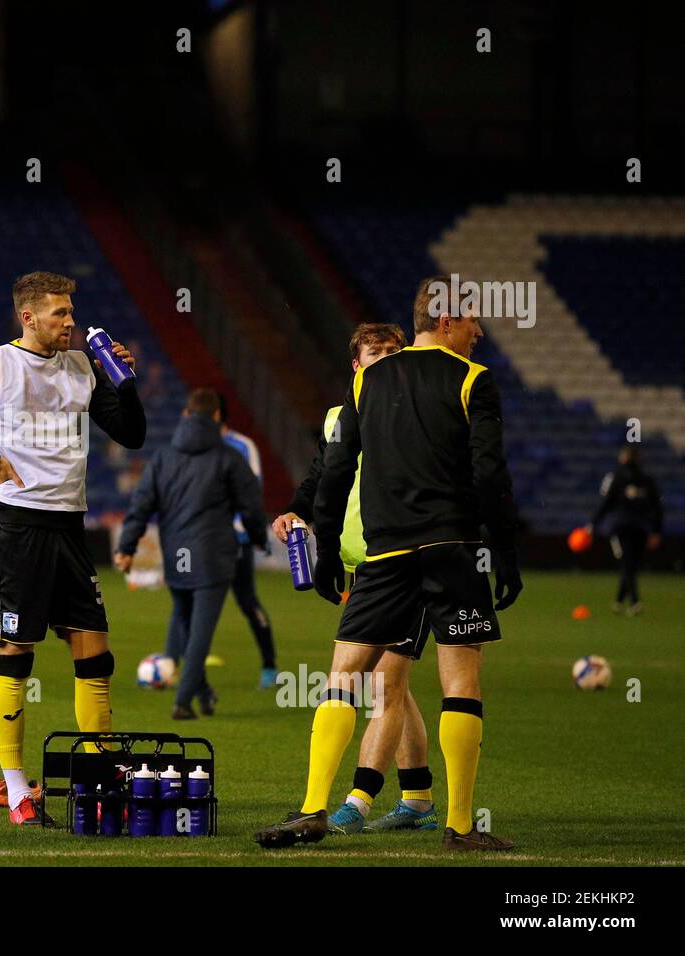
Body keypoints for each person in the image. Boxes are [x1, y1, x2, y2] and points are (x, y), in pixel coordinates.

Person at [255, 275, 522, 852]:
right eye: (474, 320)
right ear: (447, 320)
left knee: (343, 680)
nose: (479, 332)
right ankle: (458, 825)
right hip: (451, 550)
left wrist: (326, 546)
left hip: (384, 554)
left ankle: (311, 811)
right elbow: (489, 473)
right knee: (460, 688)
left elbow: (336, 470)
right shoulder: (473, 380)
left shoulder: (367, 381)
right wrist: (504, 548)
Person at [0, 271, 146, 826]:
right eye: (60, 313)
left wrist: (124, 381)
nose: (71, 322)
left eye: (71, 311)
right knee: (16, 652)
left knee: (96, 653)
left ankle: (99, 773)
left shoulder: (84, 367)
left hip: (71, 526)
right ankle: (16, 791)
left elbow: (132, 435)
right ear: (29, 317)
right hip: (18, 527)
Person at [271, 323, 441, 835]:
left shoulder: (418, 414)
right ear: (356, 363)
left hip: (408, 560)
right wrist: (295, 511)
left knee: (383, 681)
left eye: (394, 351)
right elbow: (325, 472)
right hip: (359, 567)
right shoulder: (341, 417)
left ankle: (357, 802)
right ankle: (417, 799)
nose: (386, 359)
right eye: (375, 352)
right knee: (394, 684)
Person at [115, 388, 262, 719]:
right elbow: (251, 506)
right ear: (216, 418)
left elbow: (141, 505)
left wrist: (126, 547)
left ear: (185, 415)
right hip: (213, 554)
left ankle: (203, 691)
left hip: (177, 553)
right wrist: (256, 538)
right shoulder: (228, 458)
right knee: (200, 631)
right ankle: (182, 701)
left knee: (183, 620)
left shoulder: (164, 458)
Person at [215, 392, 277, 689]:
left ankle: (269, 666)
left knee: (247, 601)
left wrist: (246, 531)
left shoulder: (242, 446)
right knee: (190, 603)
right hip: (202, 541)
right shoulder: (198, 445)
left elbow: (252, 491)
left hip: (234, 539)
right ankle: (181, 667)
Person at [584, 445, 663, 615]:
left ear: (624, 458)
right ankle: (619, 602)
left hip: (621, 526)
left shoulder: (617, 477)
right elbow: (657, 507)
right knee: (631, 564)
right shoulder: (646, 479)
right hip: (641, 527)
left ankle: (634, 601)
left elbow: (606, 503)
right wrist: (656, 531)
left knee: (627, 564)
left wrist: (592, 524)